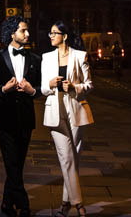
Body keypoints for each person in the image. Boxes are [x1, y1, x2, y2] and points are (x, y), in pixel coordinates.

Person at [0, 16, 42, 217]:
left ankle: (8, 204)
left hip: (26, 120)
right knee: (12, 163)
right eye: (23, 30)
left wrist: (31, 90)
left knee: (17, 163)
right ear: (12, 33)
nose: (27, 34)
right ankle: (23, 203)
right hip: (4, 119)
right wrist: (3, 89)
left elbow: (41, 89)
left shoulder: (35, 59)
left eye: (27, 30)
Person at [41, 20, 93, 217]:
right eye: (50, 33)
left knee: (73, 160)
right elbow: (44, 89)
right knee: (66, 157)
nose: (51, 36)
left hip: (77, 111)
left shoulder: (80, 56)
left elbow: (89, 85)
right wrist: (51, 84)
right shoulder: (46, 58)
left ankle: (65, 203)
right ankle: (79, 204)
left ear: (65, 36)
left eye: (55, 33)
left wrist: (74, 87)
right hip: (55, 113)